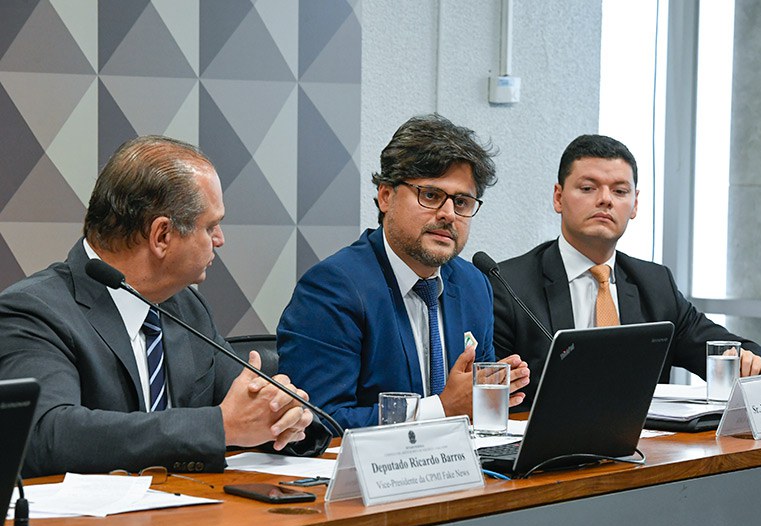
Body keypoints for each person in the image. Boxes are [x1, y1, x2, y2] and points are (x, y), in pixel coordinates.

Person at [0, 135, 330, 478]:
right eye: (210, 226)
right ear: (162, 236)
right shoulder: (33, 311)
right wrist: (220, 427)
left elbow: (249, 408)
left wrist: (286, 416)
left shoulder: (185, 307)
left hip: (190, 505)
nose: (220, 240)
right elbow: (45, 434)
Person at [277, 114, 529, 429]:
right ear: (386, 196)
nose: (448, 214)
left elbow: (472, 405)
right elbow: (316, 422)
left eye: (462, 202)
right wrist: (441, 409)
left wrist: (491, 398)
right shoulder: (333, 288)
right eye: (431, 195)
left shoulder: (473, 284)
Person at [493, 134, 761, 406]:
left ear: (635, 204)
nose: (605, 199)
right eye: (588, 188)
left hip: (646, 439)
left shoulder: (655, 284)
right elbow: (494, 391)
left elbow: (722, 349)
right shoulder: (509, 286)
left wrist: (752, 363)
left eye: (619, 191)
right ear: (558, 197)